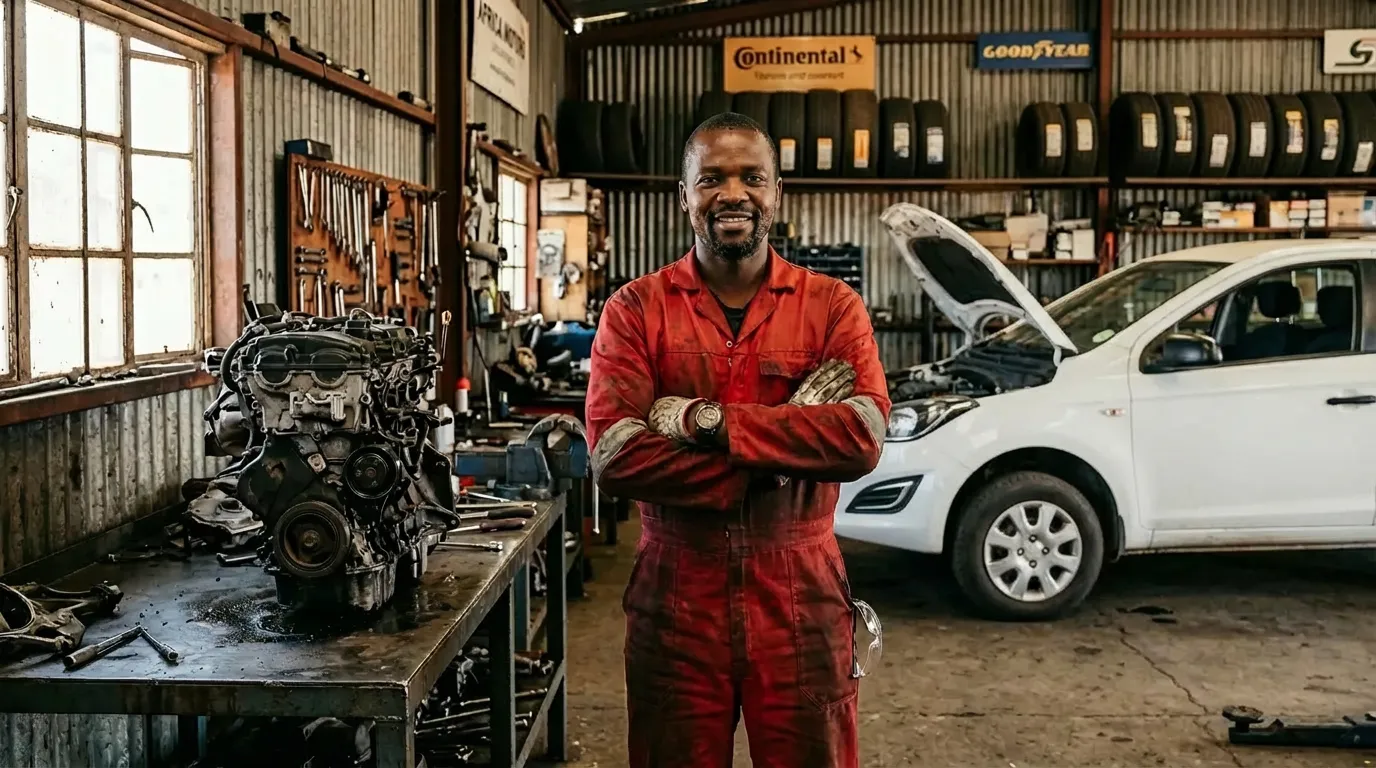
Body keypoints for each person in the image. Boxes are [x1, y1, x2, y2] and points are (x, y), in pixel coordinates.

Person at [585, 111, 890, 768]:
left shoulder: (833, 307)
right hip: (676, 599)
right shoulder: (636, 310)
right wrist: (782, 453)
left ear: (775, 192)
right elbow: (616, 455)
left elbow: (861, 439)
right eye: (711, 179)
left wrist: (704, 422)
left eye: (752, 177)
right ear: (685, 194)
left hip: (802, 602)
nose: (733, 194)